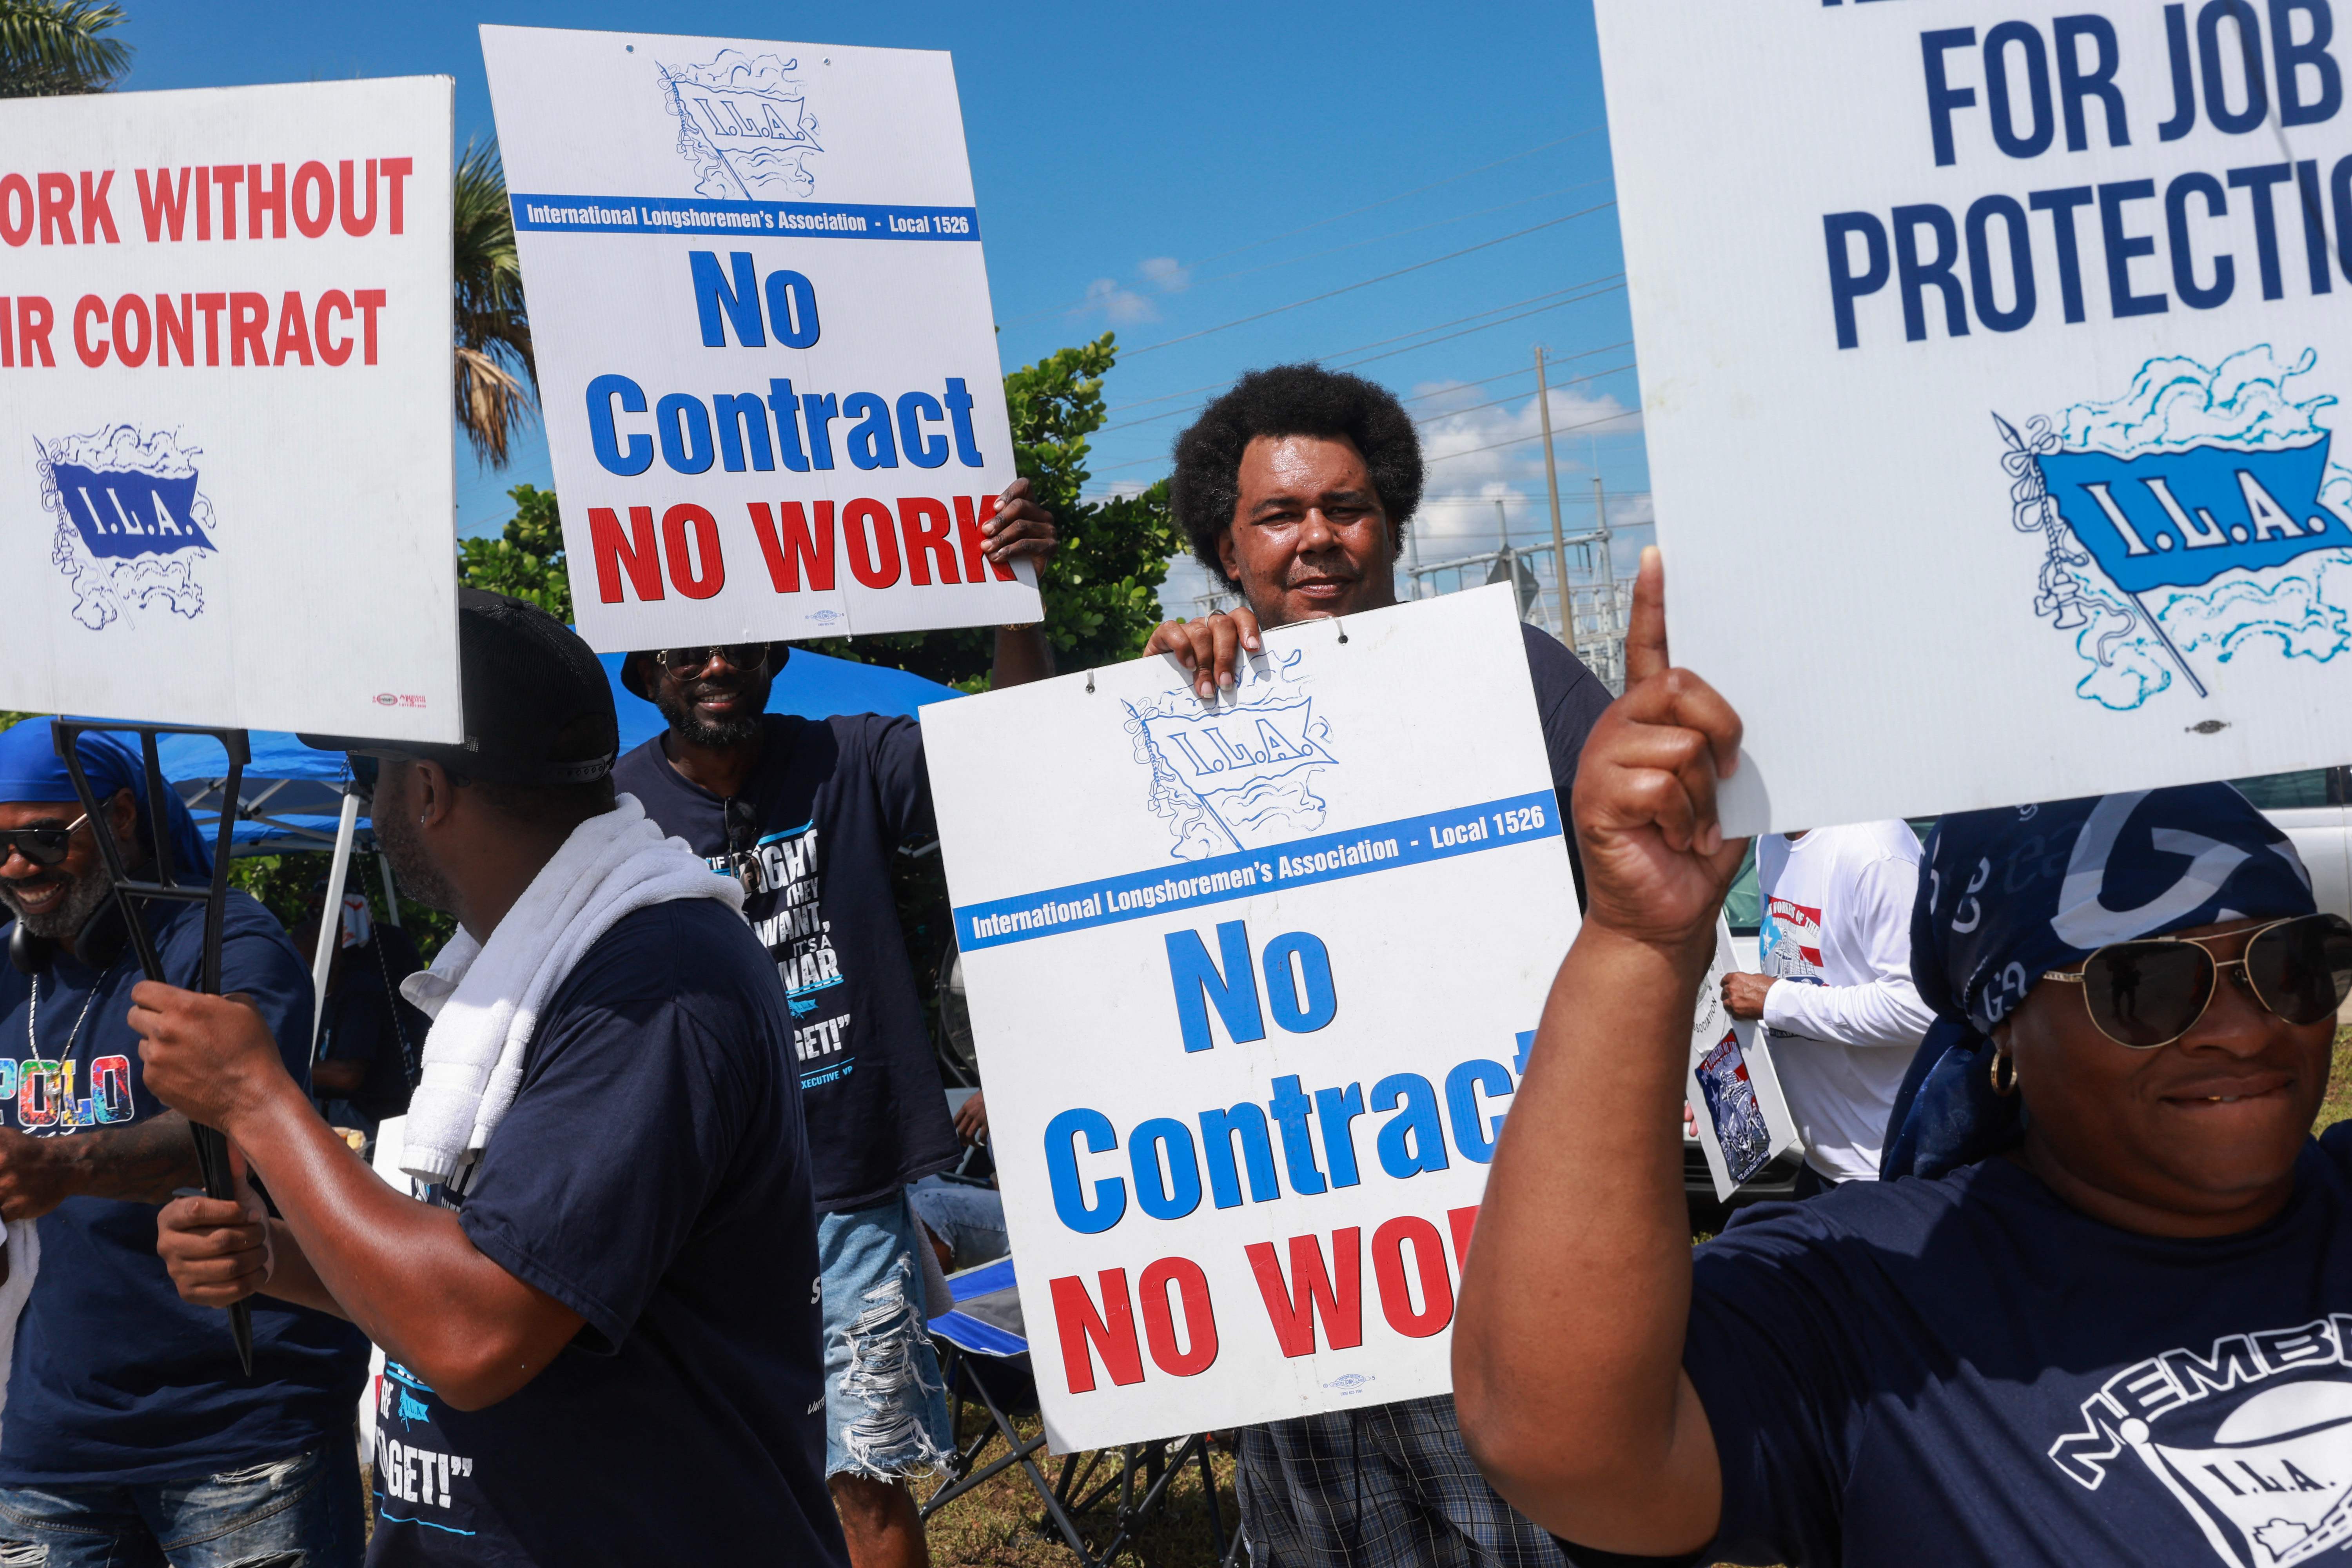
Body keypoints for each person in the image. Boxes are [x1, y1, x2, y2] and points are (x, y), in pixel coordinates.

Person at [1454, 550, 2352, 1566]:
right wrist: (1639, 942)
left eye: (2292, 964)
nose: (2242, 1027)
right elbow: (1556, 1442)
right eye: (2146, 987)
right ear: (2007, 1029)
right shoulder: (1876, 1304)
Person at [134, 591, 847, 1568]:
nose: (373, 802)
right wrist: (278, 1259)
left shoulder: (655, 986)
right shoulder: (549, 961)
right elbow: (521, 1264)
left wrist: (259, 1100)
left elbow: (476, 1329)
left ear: (427, 789)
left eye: (370, 771)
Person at [1144, 362, 1612, 1566]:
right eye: (1277, 515)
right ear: (1223, 546)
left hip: (1501, 1242)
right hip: (1296, 1260)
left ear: (1390, 520)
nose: (1315, 539)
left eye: (1343, 507)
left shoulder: (1513, 676)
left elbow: (1644, 875)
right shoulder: (1180, 703)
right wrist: (1154, 702)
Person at [610, 477, 1056, 1568]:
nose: (715, 663)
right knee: (711, 1482)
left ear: (773, 659)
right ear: (648, 674)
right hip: (688, 1209)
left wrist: (1016, 595)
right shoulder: (610, 812)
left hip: (849, 1188)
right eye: (686, 650)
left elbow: (1014, 757)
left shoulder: (850, 758)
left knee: (861, 1475)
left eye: (739, 644)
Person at [0, 719, 368, 1568]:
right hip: (52, 1433)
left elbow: (237, 1127)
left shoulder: (222, 944)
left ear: (119, 814)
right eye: (0, 844)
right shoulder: (8, 973)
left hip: (237, 1427)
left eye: (43, 839)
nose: (18, 867)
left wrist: (62, 1163)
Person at [1718, 822, 1934, 1190]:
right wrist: (1730, 1079)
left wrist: (1774, 1000)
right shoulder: (1769, 841)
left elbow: (1920, 1008)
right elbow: (1804, 986)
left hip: (1891, 1167)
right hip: (1821, 1161)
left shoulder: (1875, 849)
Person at [298, 883, 428, 1147]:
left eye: (320, 905)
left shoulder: (361, 988)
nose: (313, 912)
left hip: (374, 1114)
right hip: (355, 1106)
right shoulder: (330, 991)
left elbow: (347, 1076)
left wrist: (282, 1068)